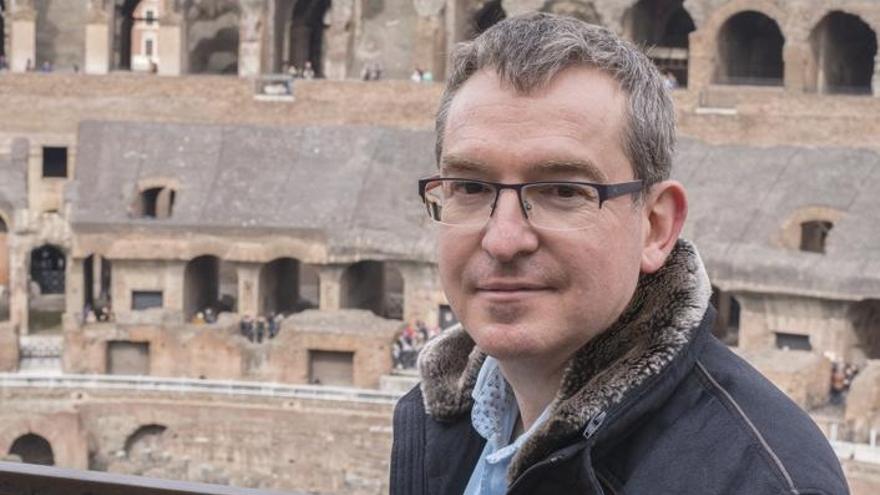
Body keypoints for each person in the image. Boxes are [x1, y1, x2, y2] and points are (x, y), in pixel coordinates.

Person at [390, 13, 848, 495]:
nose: (503, 239)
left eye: (564, 191)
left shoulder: (758, 481)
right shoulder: (436, 423)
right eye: (469, 186)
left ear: (655, 226)